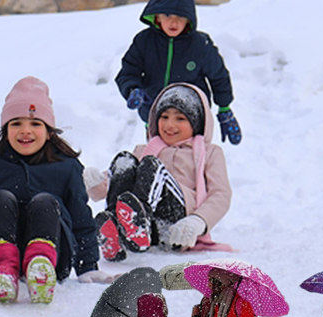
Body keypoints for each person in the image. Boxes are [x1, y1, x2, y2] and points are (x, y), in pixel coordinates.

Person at [0, 76, 106, 304]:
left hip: (54, 254)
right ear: (5, 129)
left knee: (45, 201)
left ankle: (40, 266)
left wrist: (88, 266)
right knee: (0, 198)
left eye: (35, 123)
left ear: (49, 132)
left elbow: (80, 218)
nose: (25, 131)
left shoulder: (66, 167)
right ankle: (4, 269)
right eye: (16, 123)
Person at [86, 83, 231, 261]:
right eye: (164, 116)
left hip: (177, 225)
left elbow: (221, 194)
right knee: (124, 160)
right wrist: (95, 183)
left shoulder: (209, 152)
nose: (169, 124)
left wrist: (197, 221)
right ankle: (116, 229)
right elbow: (114, 181)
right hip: (147, 233)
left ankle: (139, 221)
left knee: (150, 165)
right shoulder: (144, 149)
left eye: (180, 119)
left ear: (196, 122)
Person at [115, 0, 242, 145]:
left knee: (189, 162)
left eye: (181, 17)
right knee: (159, 159)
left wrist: (225, 107)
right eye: (168, 16)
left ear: (189, 18)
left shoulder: (200, 45)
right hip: (156, 118)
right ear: (157, 17)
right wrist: (132, 89)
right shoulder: (144, 41)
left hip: (191, 120)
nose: (174, 23)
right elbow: (128, 72)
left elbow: (218, 76)